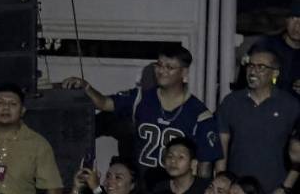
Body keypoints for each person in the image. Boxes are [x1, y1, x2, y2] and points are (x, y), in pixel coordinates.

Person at [65, 45, 220, 175]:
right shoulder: (140, 98)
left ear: (184, 73)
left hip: (173, 189)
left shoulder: (199, 114)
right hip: (140, 185)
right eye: (159, 65)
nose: (161, 71)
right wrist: (86, 87)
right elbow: (105, 103)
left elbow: (205, 165)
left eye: (169, 67)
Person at [219, 46, 300, 194]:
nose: (253, 71)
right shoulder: (232, 102)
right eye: (251, 65)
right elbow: (221, 146)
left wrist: (285, 187)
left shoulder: (291, 105)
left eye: (261, 67)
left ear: (275, 73)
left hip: (275, 192)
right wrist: (221, 184)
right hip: (236, 192)